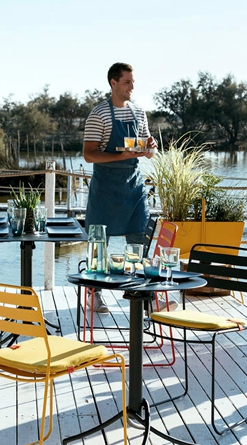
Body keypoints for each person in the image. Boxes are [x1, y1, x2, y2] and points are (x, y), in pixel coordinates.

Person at [83, 62, 158, 312]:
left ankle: (138, 291)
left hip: (134, 186)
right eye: (127, 82)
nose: (132, 87)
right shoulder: (99, 115)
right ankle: (95, 294)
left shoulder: (139, 112)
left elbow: (146, 151)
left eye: (133, 82)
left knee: (138, 240)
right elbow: (89, 155)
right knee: (98, 243)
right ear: (113, 83)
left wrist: (150, 147)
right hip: (105, 187)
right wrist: (121, 156)